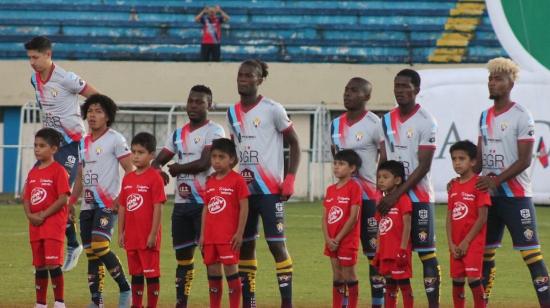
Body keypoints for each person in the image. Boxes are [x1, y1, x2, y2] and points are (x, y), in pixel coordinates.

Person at [475, 57, 550, 306]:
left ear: (510, 84)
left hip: (515, 196)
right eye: (490, 79)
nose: (492, 83)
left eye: (497, 79)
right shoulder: (484, 116)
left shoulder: (521, 115)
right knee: (485, 254)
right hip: (489, 197)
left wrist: (495, 181)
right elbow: (479, 159)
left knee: (532, 255)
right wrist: (464, 179)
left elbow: (525, 160)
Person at [227, 59, 300, 308]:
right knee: (245, 247)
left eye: (249, 75)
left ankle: (286, 303)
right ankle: (250, 302)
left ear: (260, 79)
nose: (243, 79)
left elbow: (295, 142)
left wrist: (290, 178)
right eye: (240, 75)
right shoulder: (232, 112)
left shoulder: (273, 109)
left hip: (270, 191)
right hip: (244, 192)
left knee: (276, 245)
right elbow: (233, 150)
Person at [25, 35, 99, 272]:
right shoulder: (35, 80)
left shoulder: (66, 78)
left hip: (70, 144)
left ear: (48, 55)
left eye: (36, 57)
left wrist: (91, 121)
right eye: (29, 58)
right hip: (51, 144)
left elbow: (97, 96)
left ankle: (70, 245)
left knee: (57, 194)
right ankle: (72, 243)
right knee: (46, 192)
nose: (32, 62)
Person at [152, 85, 225, 308]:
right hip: (182, 206)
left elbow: (205, 163)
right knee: (183, 259)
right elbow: (158, 160)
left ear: (209, 105)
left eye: (199, 102)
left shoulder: (215, 131)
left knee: (212, 260)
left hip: (207, 204)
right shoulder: (177, 134)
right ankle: (181, 303)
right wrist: (157, 170)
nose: (193, 105)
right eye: (191, 101)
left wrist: (177, 169)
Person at [378, 68, 441, 307]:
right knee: (392, 254)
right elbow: (384, 159)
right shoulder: (386, 120)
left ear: (417, 89)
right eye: (397, 86)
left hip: (420, 198)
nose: (400, 90)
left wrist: (396, 193)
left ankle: (433, 303)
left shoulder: (426, 121)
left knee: (426, 253)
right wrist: (382, 190)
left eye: (405, 86)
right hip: (392, 199)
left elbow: (424, 166)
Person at [69, 94, 133, 307]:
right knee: (90, 253)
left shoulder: (116, 139)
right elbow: (79, 176)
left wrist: (119, 198)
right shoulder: (82, 143)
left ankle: (125, 288)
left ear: (107, 116)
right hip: (87, 206)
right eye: (90, 111)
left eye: (98, 111)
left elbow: (130, 170)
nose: (92, 115)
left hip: (107, 205)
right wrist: (71, 202)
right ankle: (96, 301)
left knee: (100, 245)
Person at [330, 77, 384, 307]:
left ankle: (377, 302)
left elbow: (385, 158)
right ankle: (343, 303)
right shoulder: (334, 124)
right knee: (340, 252)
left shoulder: (375, 123)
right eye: (346, 89)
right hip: (343, 200)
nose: (347, 94)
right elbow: (336, 157)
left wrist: (383, 190)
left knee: (374, 255)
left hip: (369, 199)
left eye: (354, 90)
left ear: (366, 96)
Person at [23, 128, 71, 308]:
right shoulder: (33, 172)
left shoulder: (58, 171)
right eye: (35, 145)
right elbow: (26, 197)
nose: (37, 149)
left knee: (52, 263)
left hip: (52, 225)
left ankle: (59, 302)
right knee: (40, 265)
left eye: (42, 146)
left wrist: (42, 214)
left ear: (54, 149)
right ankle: (40, 303)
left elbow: (63, 198)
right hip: (35, 225)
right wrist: (30, 215)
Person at [199, 138, 249, 308]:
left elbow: (244, 207)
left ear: (232, 159)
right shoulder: (210, 181)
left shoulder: (237, 180)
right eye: (214, 157)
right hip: (210, 237)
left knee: (231, 273)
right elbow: (206, 208)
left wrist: (239, 233)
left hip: (228, 237)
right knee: (213, 274)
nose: (217, 161)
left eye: (221, 157)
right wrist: (202, 235)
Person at [118, 132, 166, 308]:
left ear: (152, 155)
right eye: (133, 151)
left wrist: (153, 234)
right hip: (132, 236)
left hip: (147, 237)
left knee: (151, 274)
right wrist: (121, 232)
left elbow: (158, 207)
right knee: (136, 274)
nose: (136, 156)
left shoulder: (155, 178)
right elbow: (123, 206)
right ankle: (136, 304)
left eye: (141, 152)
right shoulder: (128, 179)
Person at [447, 140, 491, 308]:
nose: (457, 162)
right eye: (454, 159)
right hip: (455, 244)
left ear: (473, 161)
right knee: (457, 280)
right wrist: (451, 243)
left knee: (473, 280)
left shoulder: (479, 185)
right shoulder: (453, 186)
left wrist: (466, 242)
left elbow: (482, 217)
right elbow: (449, 217)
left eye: (462, 158)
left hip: (472, 243)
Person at [322, 149, 362, 308]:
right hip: (331, 241)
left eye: (341, 164)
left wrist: (337, 239)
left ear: (352, 168)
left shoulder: (355, 187)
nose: (336, 167)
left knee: (349, 276)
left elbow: (353, 217)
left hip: (346, 240)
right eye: (335, 163)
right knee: (337, 276)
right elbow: (324, 217)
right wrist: (328, 239)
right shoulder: (330, 189)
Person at [372, 160, 413, 308]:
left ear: (397, 180)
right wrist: (377, 252)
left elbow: (407, 225)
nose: (381, 180)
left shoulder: (403, 200)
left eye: (385, 177)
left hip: (399, 252)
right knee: (389, 284)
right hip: (385, 252)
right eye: (379, 177)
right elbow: (379, 228)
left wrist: (403, 250)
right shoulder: (382, 202)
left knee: (403, 283)